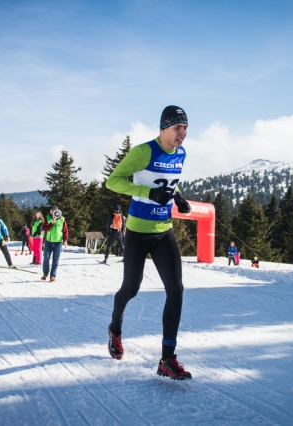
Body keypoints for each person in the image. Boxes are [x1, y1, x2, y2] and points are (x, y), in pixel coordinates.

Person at [106, 105, 193, 380]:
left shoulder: (181, 153)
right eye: (178, 128)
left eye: (186, 128)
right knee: (130, 289)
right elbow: (113, 181)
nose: (183, 134)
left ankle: (167, 359)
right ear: (164, 127)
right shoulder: (143, 151)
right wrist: (147, 192)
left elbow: (169, 181)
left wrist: (176, 196)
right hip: (138, 231)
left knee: (176, 291)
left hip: (164, 230)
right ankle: (115, 329)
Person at [41, 206, 68, 281]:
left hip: (58, 242)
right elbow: (45, 228)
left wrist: (65, 240)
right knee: (46, 258)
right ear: (50, 211)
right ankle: (45, 273)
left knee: (55, 260)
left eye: (55, 210)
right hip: (48, 241)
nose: (53, 212)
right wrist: (52, 223)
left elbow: (65, 230)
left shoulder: (62, 219)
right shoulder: (47, 218)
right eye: (52, 210)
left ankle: (53, 276)